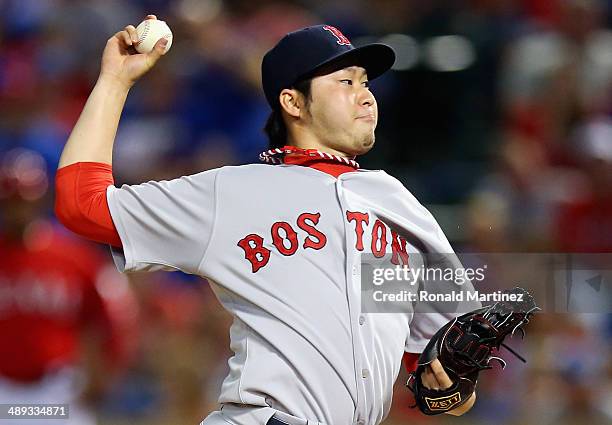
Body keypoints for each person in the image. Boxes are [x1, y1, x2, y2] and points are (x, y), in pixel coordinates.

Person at [55, 15, 478, 425]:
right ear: (293, 102)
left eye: (365, 83)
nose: (366, 95)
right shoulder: (233, 193)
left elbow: (441, 370)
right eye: (345, 82)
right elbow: (81, 204)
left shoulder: (400, 204)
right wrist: (115, 82)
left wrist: (450, 389)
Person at [0, 148, 138, 425]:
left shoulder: (74, 257)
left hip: (58, 389)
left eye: (25, 200)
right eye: (12, 201)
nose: (19, 208)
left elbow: (116, 316)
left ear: (40, 199)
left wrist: (106, 372)